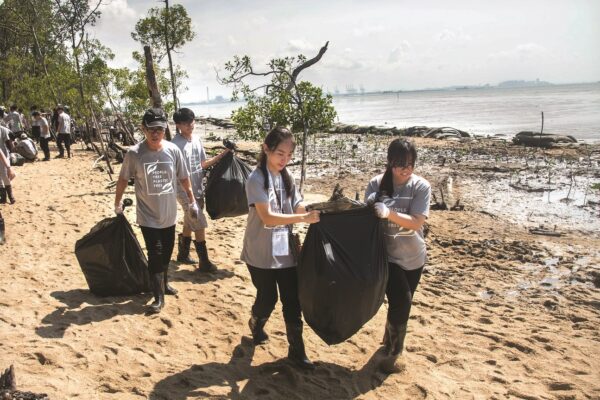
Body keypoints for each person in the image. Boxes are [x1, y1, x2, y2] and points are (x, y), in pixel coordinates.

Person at [240, 126, 320, 369]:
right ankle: (256, 322)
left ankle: (297, 351)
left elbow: (296, 206)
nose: (284, 160)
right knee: (267, 298)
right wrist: (302, 220)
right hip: (260, 252)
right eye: (279, 154)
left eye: (288, 155)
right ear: (266, 149)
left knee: (292, 300)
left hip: (285, 251)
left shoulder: (287, 177)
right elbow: (268, 218)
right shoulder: (256, 179)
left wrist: (311, 210)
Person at [113, 108, 195, 314]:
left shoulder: (172, 150)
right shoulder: (135, 153)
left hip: (169, 215)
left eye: (160, 128)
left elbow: (183, 177)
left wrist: (191, 200)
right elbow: (123, 179)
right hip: (148, 216)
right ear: (143, 129)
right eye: (151, 129)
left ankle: (163, 284)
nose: (156, 133)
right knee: (156, 253)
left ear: (165, 128)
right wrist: (117, 203)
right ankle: (158, 297)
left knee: (166, 252)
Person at [364, 138, 431, 374]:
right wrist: (372, 204)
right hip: (387, 257)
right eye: (401, 164)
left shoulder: (421, 187)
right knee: (402, 299)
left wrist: (389, 213)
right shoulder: (376, 184)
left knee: (401, 302)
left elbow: (415, 223)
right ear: (390, 162)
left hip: (414, 257)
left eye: (411, 164)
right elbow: (366, 219)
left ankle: (388, 339)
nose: (406, 169)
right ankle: (393, 354)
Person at [171, 108, 230, 272]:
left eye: (192, 121)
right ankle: (204, 261)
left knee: (191, 219)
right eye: (185, 123)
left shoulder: (196, 140)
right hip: (182, 189)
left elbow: (203, 164)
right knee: (199, 221)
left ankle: (182, 254)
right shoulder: (175, 145)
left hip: (198, 186)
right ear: (178, 125)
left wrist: (223, 155)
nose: (190, 125)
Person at [0, 124, 15, 204]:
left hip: (3, 156)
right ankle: (3, 197)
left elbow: (9, 142)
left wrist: (12, 153)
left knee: (5, 176)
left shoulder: (3, 129)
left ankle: (11, 196)